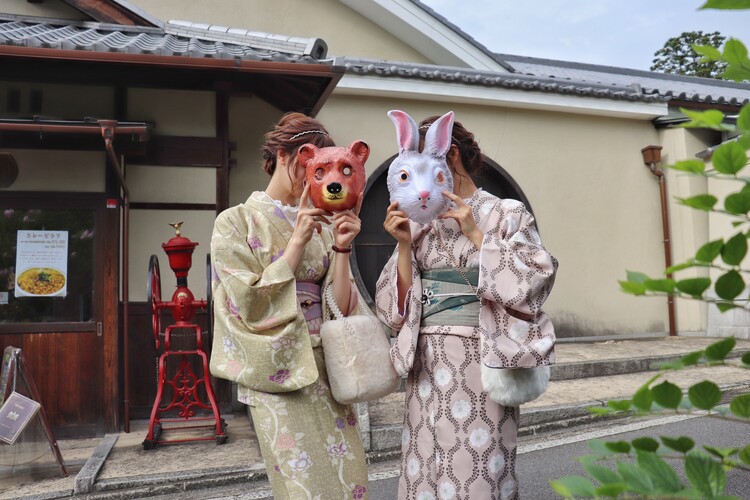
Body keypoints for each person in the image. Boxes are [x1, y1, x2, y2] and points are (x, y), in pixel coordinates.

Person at [375, 115, 558, 499]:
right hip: (426, 361)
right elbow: (394, 308)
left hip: (481, 357)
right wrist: (405, 245)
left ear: (450, 155)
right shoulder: (419, 222)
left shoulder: (506, 212)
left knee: (478, 470)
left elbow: (534, 280)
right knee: (424, 465)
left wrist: (477, 234)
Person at [210, 112, 369, 499]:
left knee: (350, 480)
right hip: (279, 369)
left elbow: (342, 307)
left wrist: (343, 247)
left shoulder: (324, 225)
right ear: (283, 155)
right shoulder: (236, 221)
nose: (317, 177)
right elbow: (246, 301)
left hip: (328, 368)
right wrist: (296, 242)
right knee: (303, 487)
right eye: (309, 165)